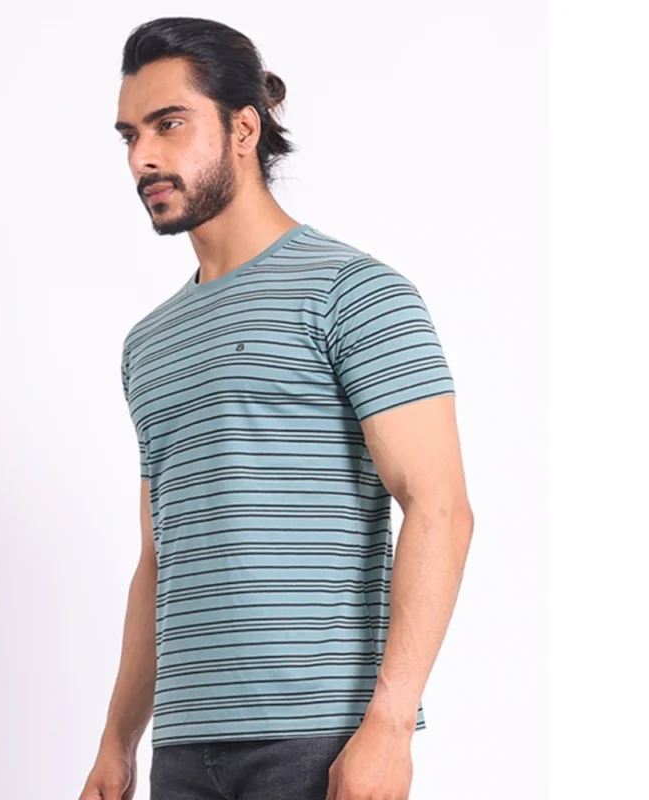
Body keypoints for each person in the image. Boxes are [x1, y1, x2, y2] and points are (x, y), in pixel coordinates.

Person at [78, 16, 474, 800]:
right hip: (184, 746)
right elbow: (158, 559)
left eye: (168, 124)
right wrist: (117, 743)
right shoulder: (147, 343)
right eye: (130, 134)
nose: (142, 157)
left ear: (243, 129)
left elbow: (441, 509)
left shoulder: (354, 292)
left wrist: (390, 726)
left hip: (320, 737)